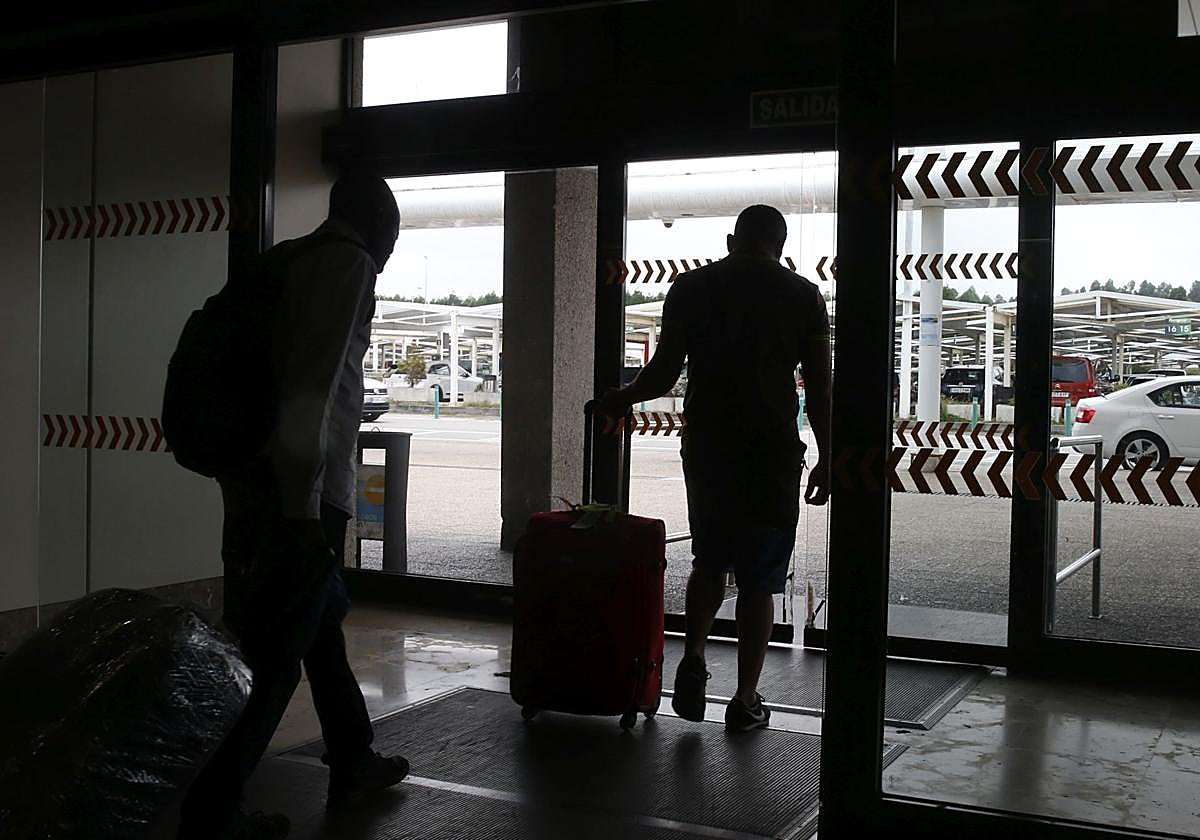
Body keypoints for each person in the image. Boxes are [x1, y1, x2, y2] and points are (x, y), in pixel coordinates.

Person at [179, 173, 408, 839]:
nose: (388, 258)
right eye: (391, 242)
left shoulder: (285, 259)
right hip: (298, 493)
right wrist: (303, 511)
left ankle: (354, 757)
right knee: (276, 655)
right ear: (380, 229)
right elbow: (311, 390)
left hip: (252, 478)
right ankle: (212, 813)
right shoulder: (348, 263)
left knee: (320, 620)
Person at [599, 204, 831, 733]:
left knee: (709, 560)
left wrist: (621, 397)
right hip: (771, 451)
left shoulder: (690, 288)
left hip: (708, 445)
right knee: (760, 581)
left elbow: (661, 374)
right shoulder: (802, 296)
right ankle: (745, 700)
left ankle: (695, 656)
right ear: (781, 245)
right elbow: (819, 389)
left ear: (732, 240)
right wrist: (828, 455)